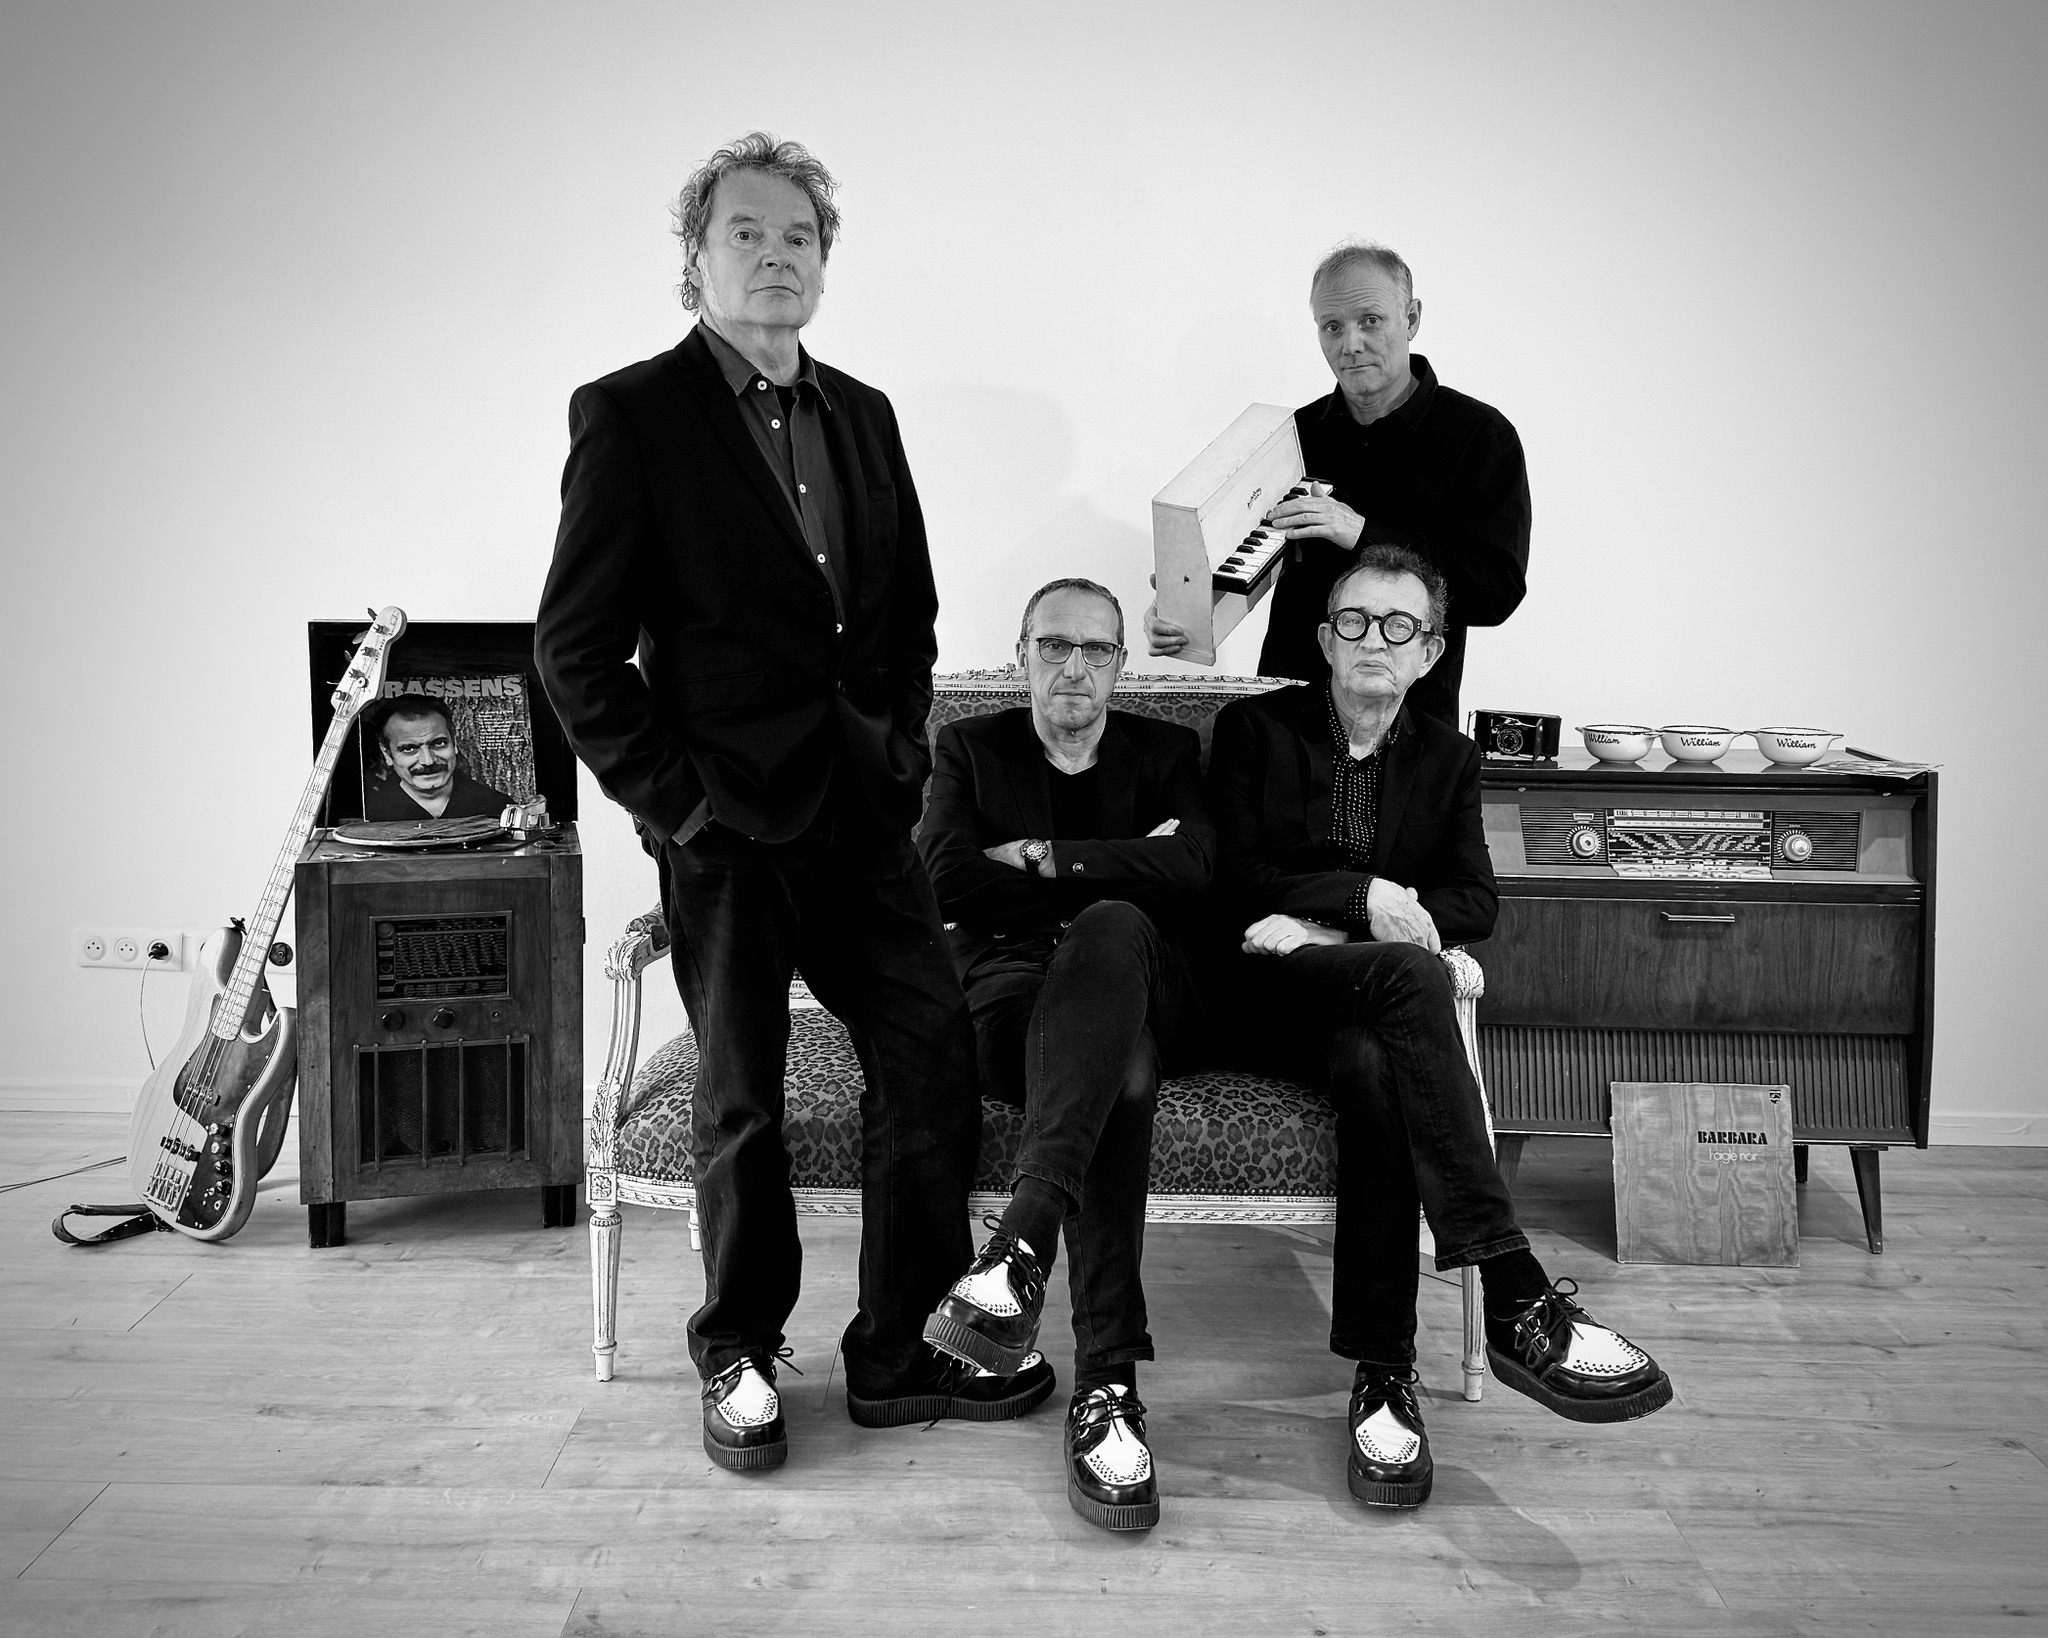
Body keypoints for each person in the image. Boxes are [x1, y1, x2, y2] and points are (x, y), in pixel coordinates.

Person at [534, 132, 1050, 1475]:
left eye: (799, 237)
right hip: (725, 828)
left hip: (862, 820)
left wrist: (900, 756)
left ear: (826, 261)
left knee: (929, 1053)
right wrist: (678, 806)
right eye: (746, 233)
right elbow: (574, 652)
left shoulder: (863, 414)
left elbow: (905, 616)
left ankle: (895, 1348)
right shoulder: (630, 414)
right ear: (694, 258)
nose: (776, 256)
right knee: (743, 1098)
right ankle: (740, 1350)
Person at [1206, 543, 1670, 1509]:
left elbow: (1474, 901)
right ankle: (1511, 1287)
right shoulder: (1255, 730)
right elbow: (1234, 876)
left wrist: (1343, 922)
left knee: (1381, 1065)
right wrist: (1367, 897)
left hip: (1363, 1003)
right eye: (1354, 622)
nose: (1374, 641)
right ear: (1324, 639)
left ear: (1429, 652)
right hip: (1260, 993)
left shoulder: (1450, 758)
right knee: (1412, 977)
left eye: (1399, 626)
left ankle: (1384, 1374)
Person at [917, 577, 1215, 1533]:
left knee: (1115, 930)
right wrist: (1128, 859)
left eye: (1096, 650)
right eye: (1055, 646)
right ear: (1022, 655)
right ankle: (1108, 1387)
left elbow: (1196, 873)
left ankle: (1016, 1253)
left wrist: (1040, 856)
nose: (1074, 667)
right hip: (1010, 993)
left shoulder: (1166, 752)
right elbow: (944, 879)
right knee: (1120, 1076)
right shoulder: (969, 747)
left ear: (1121, 665)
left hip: (1133, 980)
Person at [1150, 240, 1530, 728]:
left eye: (1370, 320)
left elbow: (1496, 592)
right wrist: (1182, 607)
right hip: (1287, 717)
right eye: (1332, 326)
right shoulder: (1293, 435)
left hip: (1411, 727)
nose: (1350, 344)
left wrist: (1361, 533)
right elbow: (1242, 556)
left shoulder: (1480, 436)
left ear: (1411, 319)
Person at [361, 694, 519, 820]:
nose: (428, 761)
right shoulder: (369, 814)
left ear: (454, 743)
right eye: (409, 749)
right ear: (387, 753)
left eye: (438, 743)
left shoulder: (498, 807)